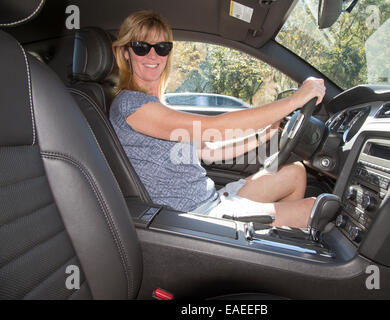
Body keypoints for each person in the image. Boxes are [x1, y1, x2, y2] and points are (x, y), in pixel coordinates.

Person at [109, 10, 326, 229]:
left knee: (296, 172)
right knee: (314, 210)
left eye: (162, 47)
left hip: (212, 199)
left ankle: (277, 249)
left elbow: (210, 149)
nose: (153, 56)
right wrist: (294, 101)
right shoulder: (131, 105)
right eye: (141, 47)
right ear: (126, 53)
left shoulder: (155, 105)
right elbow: (213, 127)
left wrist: (264, 134)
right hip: (196, 215)